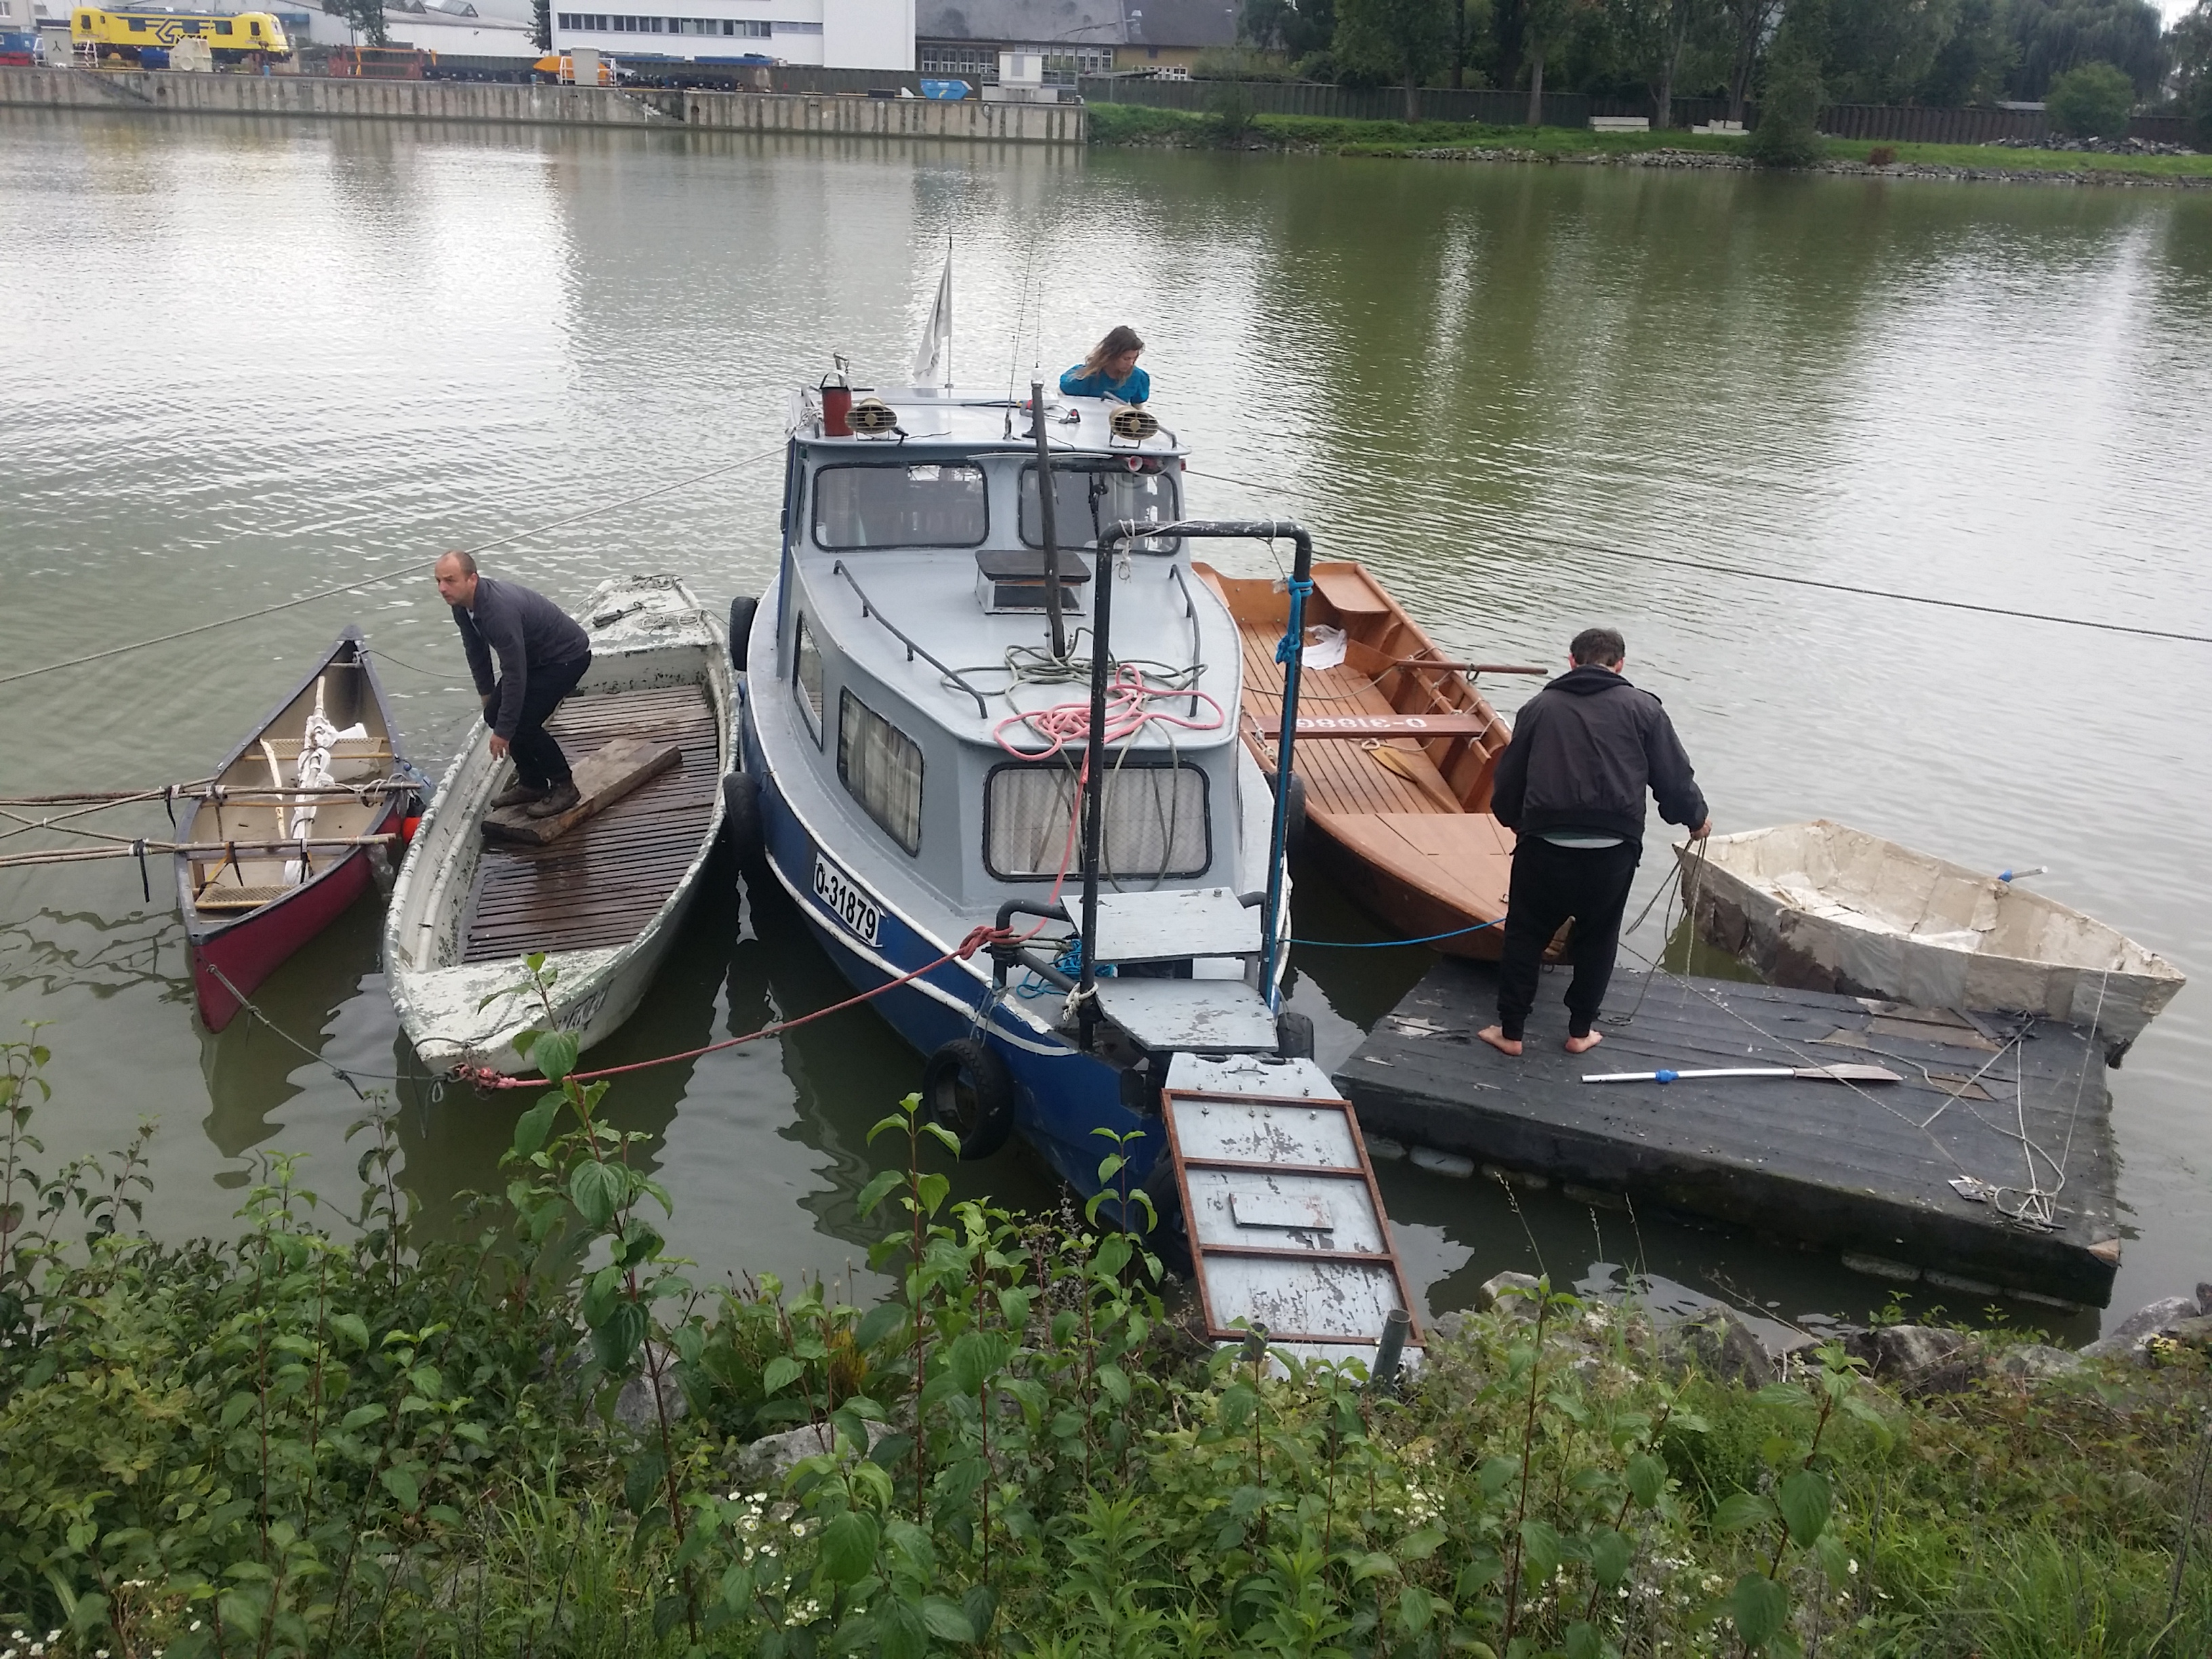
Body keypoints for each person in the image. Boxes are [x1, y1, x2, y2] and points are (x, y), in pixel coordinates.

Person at [1480, 628, 1711, 1057]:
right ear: (1620, 664)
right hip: (1613, 850)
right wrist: (1695, 819)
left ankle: (1511, 1033)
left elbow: (1509, 779)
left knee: (1525, 935)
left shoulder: (1538, 708)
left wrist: (1514, 820)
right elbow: (1674, 779)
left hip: (1543, 845)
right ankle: (1580, 1032)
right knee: (1598, 938)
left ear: (1572, 661)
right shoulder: (1645, 709)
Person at [434, 551, 593, 819]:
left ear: (473, 579)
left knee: (523, 724)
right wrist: (487, 694)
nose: (442, 588)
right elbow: (476, 650)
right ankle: (532, 782)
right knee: (494, 715)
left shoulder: (498, 612)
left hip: (566, 658)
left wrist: (504, 732)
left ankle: (564, 785)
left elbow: (515, 673)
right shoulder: (461, 605)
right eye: (438, 581)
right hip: (533, 660)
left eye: (450, 580)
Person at [1059, 325, 1149, 404]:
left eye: (1134, 358)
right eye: (1126, 359)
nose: (1131, 364)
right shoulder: (1083, 378)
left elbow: (1137, 408)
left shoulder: (1137, 377)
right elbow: (1061, 397)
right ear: (1112, 354)